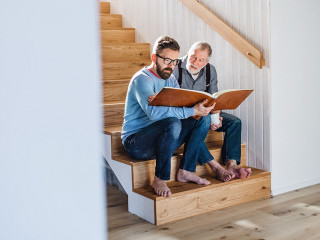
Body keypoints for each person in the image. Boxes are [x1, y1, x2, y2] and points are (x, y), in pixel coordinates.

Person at [121, 36, 216, 198]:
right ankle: (160, 179)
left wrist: (196, 110)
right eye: (166, 60)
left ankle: (186, 170)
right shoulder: (142, 80)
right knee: (172, 122)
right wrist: (170, 108)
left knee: (203, 119)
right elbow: (154, 114)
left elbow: (178, 107)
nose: (170, 66)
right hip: (136, 142)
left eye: (173, 61)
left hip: (162, 139)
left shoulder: (171, 80)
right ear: (154, 58)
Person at [173, 41, 252, 180]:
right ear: (187, 54)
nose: (195, 62)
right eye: (193, 57)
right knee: (196, 126)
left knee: (235, 122)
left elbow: (215, 98)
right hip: (183, 115)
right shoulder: (175, 67)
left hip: (205, 112)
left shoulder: (211, 70)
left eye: (201, 60)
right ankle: (215, 167)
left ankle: (231, 164)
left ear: (206, 61)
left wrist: (216, 119)